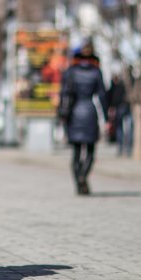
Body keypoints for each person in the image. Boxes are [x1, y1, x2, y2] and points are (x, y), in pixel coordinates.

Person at [58, 44, 108, 194]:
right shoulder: (96, 72)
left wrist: (61, 114)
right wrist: (105, 117)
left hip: (74, 113)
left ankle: (79, 180)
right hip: (90, 112)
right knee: (91, 151)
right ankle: (83, 177)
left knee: (77, 152)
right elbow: (102, 96)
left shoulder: (71, 72)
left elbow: (64, 93)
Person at [106, 74, 132, 156]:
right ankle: (125, 148)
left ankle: (123, 148)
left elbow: (110, 98)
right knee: (126, 129)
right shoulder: (125, 85)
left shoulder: (117, 86)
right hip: (124, 108)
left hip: (121, 108)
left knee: (123, 129)